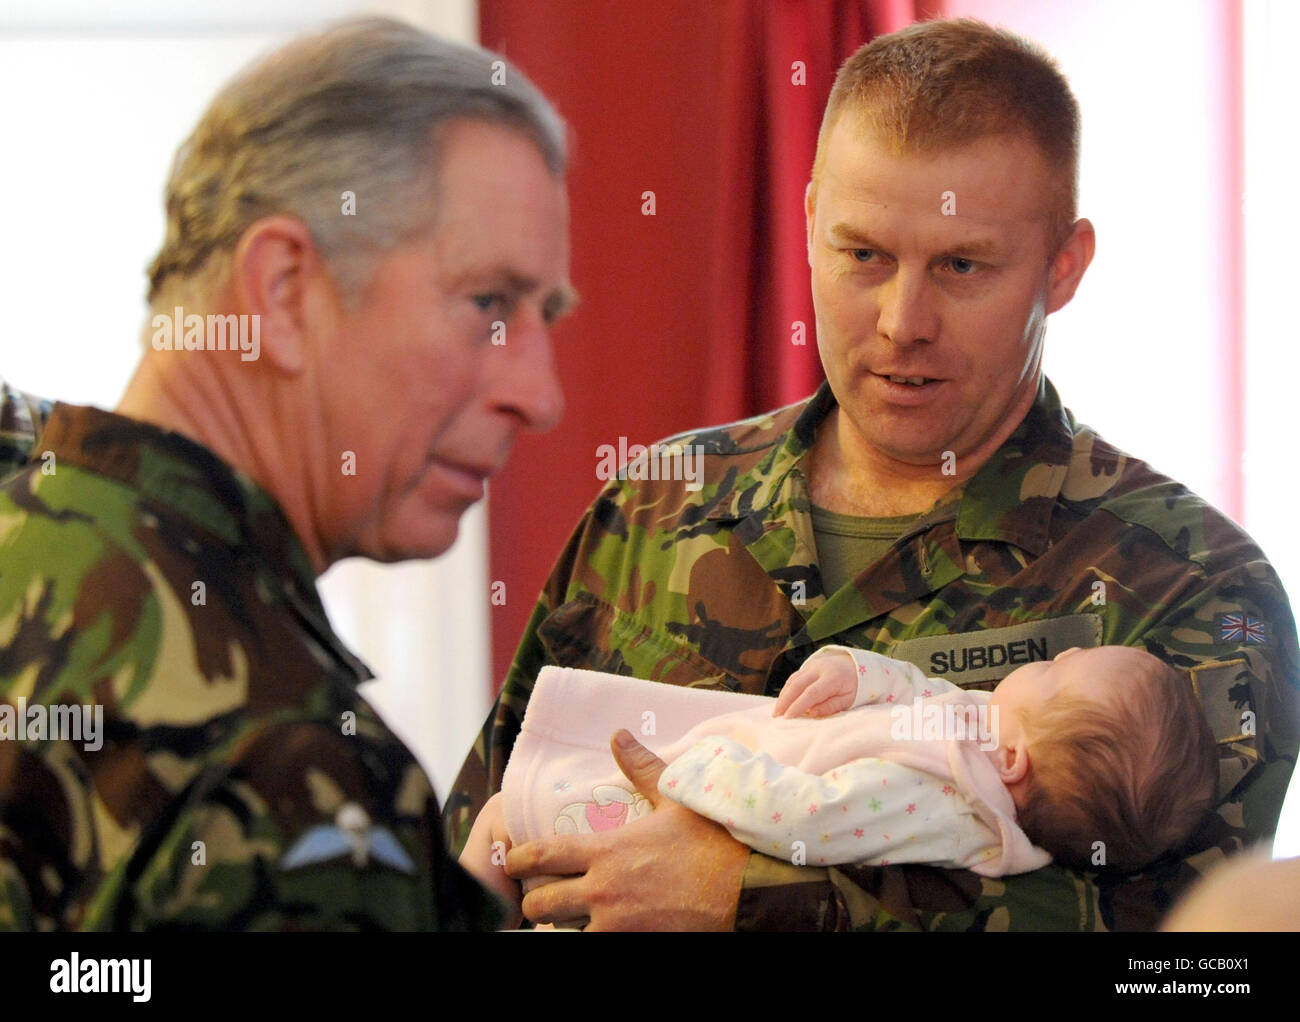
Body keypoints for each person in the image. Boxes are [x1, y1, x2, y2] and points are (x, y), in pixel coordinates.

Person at [444, 17, 1300, 931]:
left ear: (1063, 267)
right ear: (810, 223)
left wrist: (749, 898)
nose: (902, 322)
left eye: (962, 265)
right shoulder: (659, 500)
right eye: (864, 256)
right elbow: (472, 847)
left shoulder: (1191, 586)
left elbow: (1182, 960)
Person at [0, 16, 573, 930]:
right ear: (282, 291)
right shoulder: (294, 769)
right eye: (488, 302)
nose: (540, 396)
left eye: (548, 312)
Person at [462, 644, 1218, 926]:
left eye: (1051, 670)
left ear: (1015, 762)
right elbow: (925, 695)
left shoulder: (938, 799)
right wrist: (860, 674)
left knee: (505, 820)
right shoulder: (981, 743)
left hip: (687, 808)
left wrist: (693, 774)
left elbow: (808, 816)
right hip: (679, 812)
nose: (1051, 659)